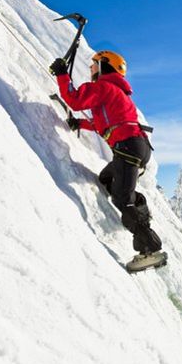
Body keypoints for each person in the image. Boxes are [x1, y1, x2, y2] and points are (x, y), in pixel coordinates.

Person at [49, 51, 163, 257]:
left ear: (104, 65)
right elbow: (106, 122)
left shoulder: (103, 87)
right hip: (135, 148)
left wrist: (61, 74)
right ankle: (140, 215)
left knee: (121, 198)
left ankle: (150, 249)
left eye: (94, 64)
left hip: (128, 148)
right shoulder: (115, 92)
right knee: (107, 178)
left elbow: (75, 100)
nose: (91, 67)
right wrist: (80, 123)